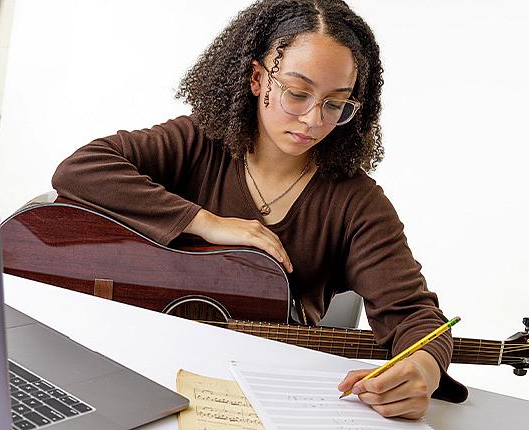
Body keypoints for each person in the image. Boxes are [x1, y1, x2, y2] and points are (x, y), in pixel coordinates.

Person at [52, 0, 467, 419]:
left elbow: (415, 315)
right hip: (137, 370)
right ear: (256, 77)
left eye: (335, 104)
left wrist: (423, 370)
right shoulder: (199, 143)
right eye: (297, 93)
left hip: (259, 399)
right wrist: (207, 223)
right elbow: (81, 168)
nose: (312, 119)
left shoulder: (357, 204)